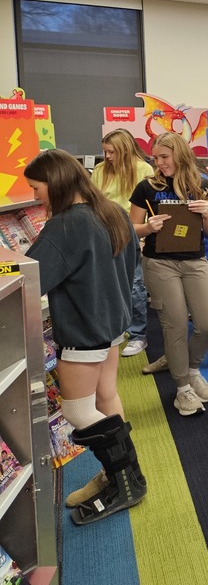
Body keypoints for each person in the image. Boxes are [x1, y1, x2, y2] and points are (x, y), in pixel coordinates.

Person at [25, 149, 146, 524]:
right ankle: (122, 476)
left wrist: (7, 260)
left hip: (83, 331)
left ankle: (125, 480)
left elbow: (33, 279)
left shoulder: (64, 226)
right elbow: (131, 265)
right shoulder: (113, 212)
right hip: (112, 326)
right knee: (106, 398)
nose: (35, 197)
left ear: (56, 182)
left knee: (79, 410)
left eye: (37, 188)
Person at [128, 133, 208, 416]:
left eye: (164, 157)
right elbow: (131, 227)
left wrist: (206, 213)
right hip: (159, 264)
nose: (158, 163)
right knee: (176, 325)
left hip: (195, 261)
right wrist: (148, 228)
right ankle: (182, 389)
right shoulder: (146, 188)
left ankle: (191, 369)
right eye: (155, 158)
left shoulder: (204, 186)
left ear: (180, 155)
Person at [92, 129, 153, 357]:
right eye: (105, 151)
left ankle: (138, 335)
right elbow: (93, 201)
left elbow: (146, 205)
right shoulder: (100, 170)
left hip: (130, 233)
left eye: (112, 152)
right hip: (103, 234)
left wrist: (144, 234)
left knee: (134, 285)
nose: (107, 156)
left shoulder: (143, 169)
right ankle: (114, 331)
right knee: (107, 286)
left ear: (125, 150)